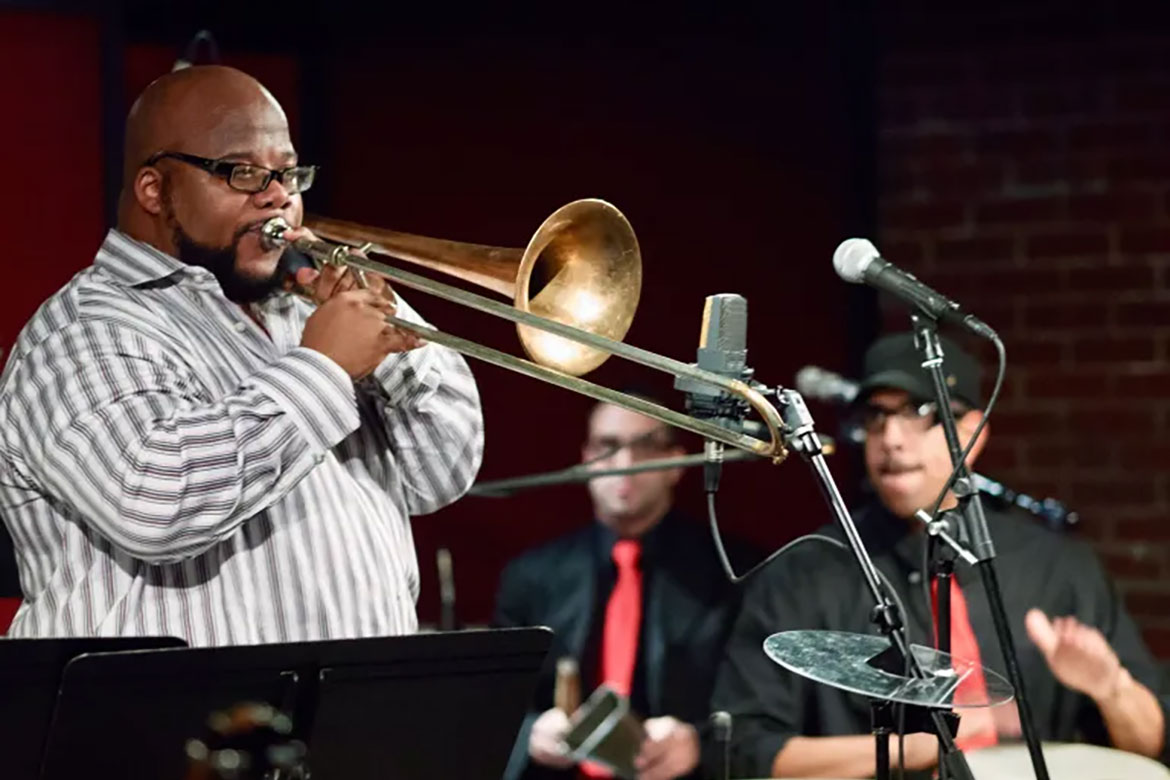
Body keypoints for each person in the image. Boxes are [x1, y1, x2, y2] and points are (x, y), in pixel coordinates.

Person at [0, 65, 483, 645]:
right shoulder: (82, 332)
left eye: (287, 174)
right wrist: (325, 371)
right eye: (244, 173)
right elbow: (155, 504)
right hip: (160, 727)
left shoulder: (307, 311)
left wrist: (389, 347)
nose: (279, 197)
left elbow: (441, 474)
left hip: (353, 717)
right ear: (155, 190)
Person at [712, 332, 1170, 777]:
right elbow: (747, 752)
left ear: (972, 433)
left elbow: (1148, 745)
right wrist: (931, 744)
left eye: (918, 413)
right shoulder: (808, 569)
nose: (891, 438)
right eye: (876, 416)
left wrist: (1113, 689)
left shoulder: (1058, 566)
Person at [494, 397, 755, 780]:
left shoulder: (734, 574)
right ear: (586, 458)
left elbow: (762, 710)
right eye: (608, 446)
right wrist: (531, 733)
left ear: (677, 462)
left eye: (645, 446)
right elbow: (492, 707)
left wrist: (701, 743)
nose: (624, 465)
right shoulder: (531, 576)